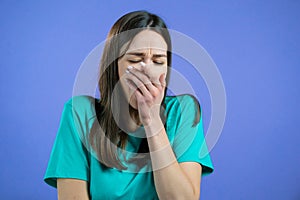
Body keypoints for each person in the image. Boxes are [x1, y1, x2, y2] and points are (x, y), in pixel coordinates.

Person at [44, 10, 214, 199]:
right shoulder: (80, 113)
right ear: (114, 65)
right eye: (135, 60)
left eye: (158, 61)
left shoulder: (184, 110)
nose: (147, 71)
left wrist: (152, 121)